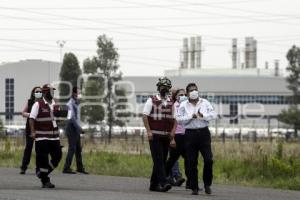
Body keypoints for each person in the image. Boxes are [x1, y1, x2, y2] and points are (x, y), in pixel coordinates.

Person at [176, 83, 217, 195]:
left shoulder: (205, 102)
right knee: (191, 162)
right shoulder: (183, 105)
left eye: (195, 90)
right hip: (190, 134)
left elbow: (214, 115)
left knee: (209, 160)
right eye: (191, 90)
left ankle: (207, 184)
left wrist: (203, 115)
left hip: (204, 133)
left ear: (198, 91)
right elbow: (179, 119)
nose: (193, 91)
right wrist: (191, 116)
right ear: (187, 93)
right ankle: (194, 187)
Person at [142, 77, 177, 192]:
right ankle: (164, 182)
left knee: (161, 160)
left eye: (167, 87)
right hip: (155, 135)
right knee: (158, 159)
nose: (165, 89)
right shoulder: (151, 100)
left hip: (166, 136)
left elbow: (176, 119)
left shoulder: (171, 102)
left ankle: (153, 185)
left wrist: (172, 132)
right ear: (158, 87)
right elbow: (145, 116)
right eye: (163, 87)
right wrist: (148, 131)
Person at [29, 84, 63, 188]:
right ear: (45, 92)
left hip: (54, 137)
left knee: (58, 156)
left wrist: (61, 116)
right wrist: (33, 132)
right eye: (51, 91)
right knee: (43, 159)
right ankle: (45, 180)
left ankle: (42, 173)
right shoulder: (38, 104)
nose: (53, 93)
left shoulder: (56, 103)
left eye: (53, 91)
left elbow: (58, 118)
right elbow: (31, 118)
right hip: (42, 137)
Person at [63, 86, 88, 174]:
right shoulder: (69, 104)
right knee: (72, 149)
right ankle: (66, 168)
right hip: (71, 128)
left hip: (75, 129)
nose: (79, 94)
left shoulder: (76, 103)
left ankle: (80, 167)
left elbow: (77, 118)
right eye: (78, 93)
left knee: (78, 149)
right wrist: (79, 128)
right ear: (73, 93)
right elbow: (72, 119)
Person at [165, 88, 188, 187]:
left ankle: (173, 177)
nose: (182, 96)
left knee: (187, 158)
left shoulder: (187, 106)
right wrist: (171, 137)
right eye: (179, 94)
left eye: (184, 95)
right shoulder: (170, 106)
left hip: (185, 136)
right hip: (173, 135)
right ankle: (174, 176)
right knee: (173, 158)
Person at [20, 86, 42, 174]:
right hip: (30, 127)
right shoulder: (30, 102)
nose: (38, 93)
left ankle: (38, 168)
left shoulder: (43, 103)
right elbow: (23, 113)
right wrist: (31, 114)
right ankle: (23, 167)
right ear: (33, 93)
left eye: (40, 91)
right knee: (28, 147)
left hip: (40, 127)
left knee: (39, 149)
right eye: (37, 91)